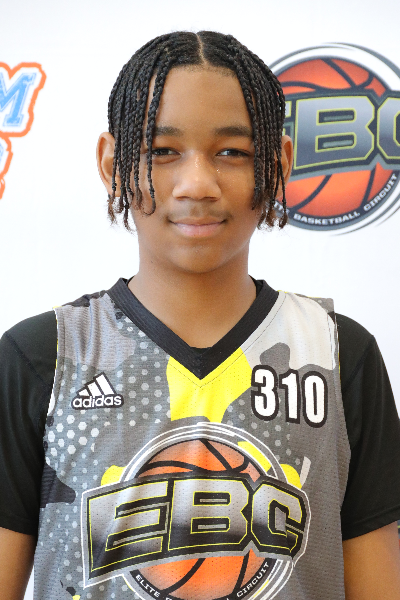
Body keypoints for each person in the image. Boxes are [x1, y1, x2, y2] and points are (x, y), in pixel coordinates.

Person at [1, 30, 400, 600]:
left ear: (279, 165)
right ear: (113, 164)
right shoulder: (45, 355)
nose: (197, 184)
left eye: (232, 153)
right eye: (163, 152)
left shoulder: (338, 355)